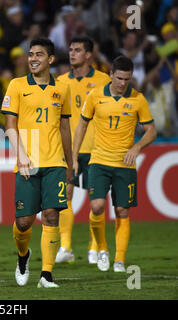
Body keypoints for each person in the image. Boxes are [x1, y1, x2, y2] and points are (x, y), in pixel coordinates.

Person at [72, 56, 157, 272]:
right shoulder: (96, 95)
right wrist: (73, 156)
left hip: (125, 164)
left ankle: (119, 259)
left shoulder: (138, 99)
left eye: (127, 79)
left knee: (122, 210)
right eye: (119, 78)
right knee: (97, 206)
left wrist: (137, 148)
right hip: (99, 160)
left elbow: (151, 131)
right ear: (111, 75)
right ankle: (102, 249)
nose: (122, 83)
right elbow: (82, 125)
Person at [1, 38, 73, 288]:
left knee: (51, 215)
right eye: (30, 54)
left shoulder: (62, 88)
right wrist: (20, 155)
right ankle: (23, 256)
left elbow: (64, 127)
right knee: (24, 222)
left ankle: (47, 275)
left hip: (54, 162)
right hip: (26, 163)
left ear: (50, 59)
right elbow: (9, 124)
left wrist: (70, 164)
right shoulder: (17, 85)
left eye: (39, 54)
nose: (32, 58)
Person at [57, 37, 111, 264]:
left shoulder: (104, 80)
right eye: (70, 49)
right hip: (68, 149)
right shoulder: (59, 82)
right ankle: (66, 247)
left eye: (77, 50)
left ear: (89, 55)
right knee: (65, 195)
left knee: (95, 199)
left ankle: (94, 247)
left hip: (97, 148)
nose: (72, 54)